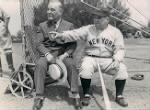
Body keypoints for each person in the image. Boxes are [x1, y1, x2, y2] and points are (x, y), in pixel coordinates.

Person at [53, 10, 128, 107]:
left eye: (99, 18)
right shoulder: (88, 29)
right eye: (95, 17)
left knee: (121, 69)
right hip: (91, 58)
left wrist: (117, 59)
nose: (96, 20)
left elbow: (120, 49)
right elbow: (75, 33)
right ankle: (86, 94)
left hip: (108, 59)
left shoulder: (115, 32)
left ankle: (119, 96)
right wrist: (61, 35)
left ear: (107, 19)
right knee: (85, 68)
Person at [32, 0, 81, 110]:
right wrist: (47, 54)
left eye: (52, 10)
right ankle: (39, 96)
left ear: (61, 11)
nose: (48, 12)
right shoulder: (42, 25)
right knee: (40, 65)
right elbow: (38, 43)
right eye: (48, 9)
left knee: (72, 65)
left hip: (63, 54)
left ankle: (75, 94)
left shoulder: (69, 26)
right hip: (47, 54)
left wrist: (65, 55)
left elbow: (73, 44)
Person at [0, 8, 15, 77]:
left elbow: (7, 17)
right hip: (1, 27)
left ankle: (2, 71)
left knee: (7, 49)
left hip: (1, 27)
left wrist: (5, 28)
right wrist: (6, 27)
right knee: (7, 49)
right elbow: (7, 17)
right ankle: (11, 69)